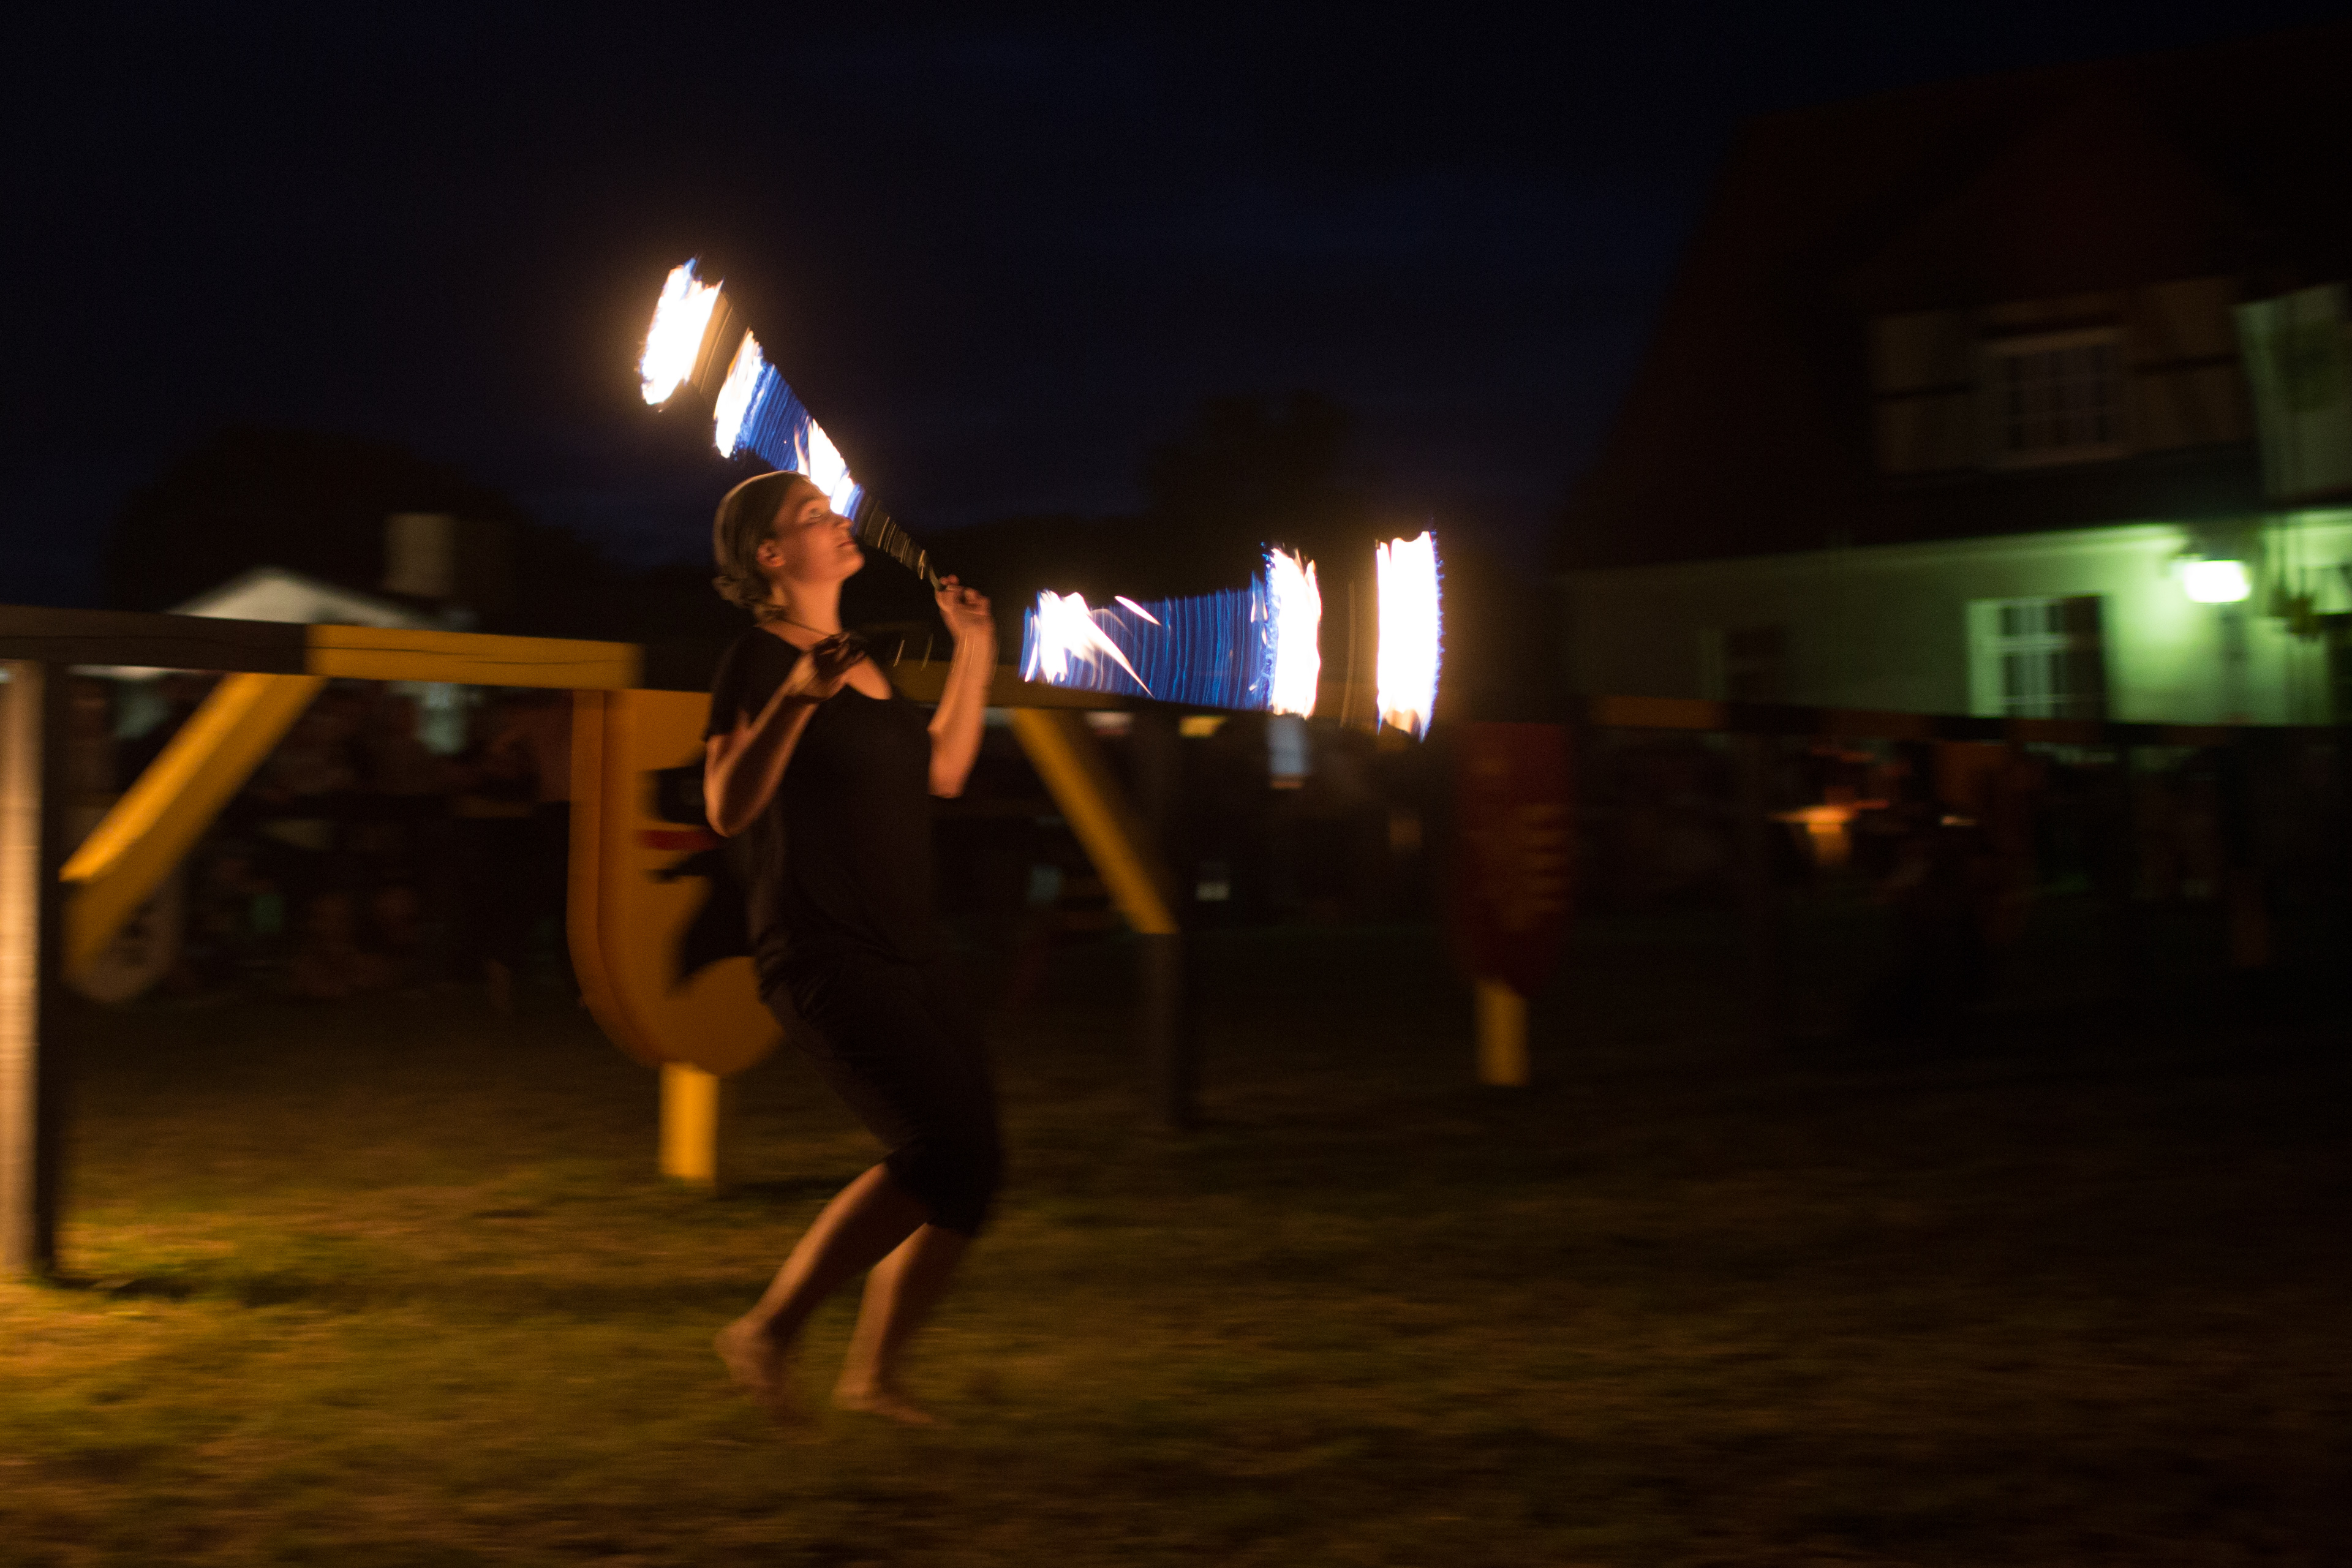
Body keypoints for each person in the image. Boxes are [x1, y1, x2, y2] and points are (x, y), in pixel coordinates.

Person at [703, 469, 998, 1427]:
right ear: (771, 556)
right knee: (936, 1147)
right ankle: (768, 1331)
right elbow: (726, 807)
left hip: (910, 946)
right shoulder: (758, 659)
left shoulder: (863, 661)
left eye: (833, 510)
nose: (839, 521)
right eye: (813, 515)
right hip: (822, 950)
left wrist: (974, 650)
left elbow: (943, 770)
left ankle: (874, 1379)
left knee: (974, 1167)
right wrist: (797, 698)